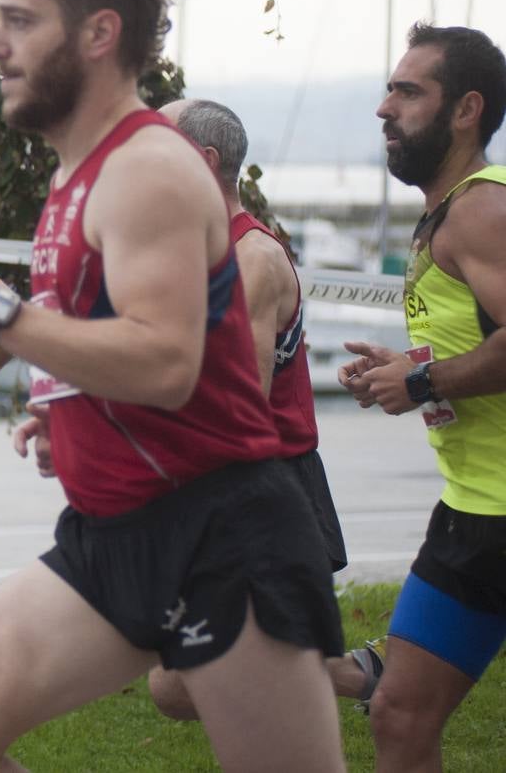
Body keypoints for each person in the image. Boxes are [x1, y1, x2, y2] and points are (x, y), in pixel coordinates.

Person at [0, 0, 345, 772]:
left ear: (100, 32)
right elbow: (120, 337)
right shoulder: (76, 172)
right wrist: (68, 404)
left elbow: (168, 365)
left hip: (222, 537)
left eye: (19, 21)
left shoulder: (149, 169)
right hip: (110, 533)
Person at [143, 98, 373, 719]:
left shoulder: (251, 259)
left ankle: (365, 679)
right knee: (186, 682)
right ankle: (365, 679)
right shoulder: (202, 250)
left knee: (188, 681)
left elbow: (235, 406)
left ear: (201, 160)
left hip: (263, 487)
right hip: (229, 484)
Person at [339, 23, 506, 771]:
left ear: (466, 109)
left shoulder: (482, 210)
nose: (385, 108)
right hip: (477, 512)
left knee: (400, 713)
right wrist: (406, 366)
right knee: (399, 714)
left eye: (409, 92)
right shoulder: (450, 212)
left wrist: (422, 380)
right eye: (389, 88)